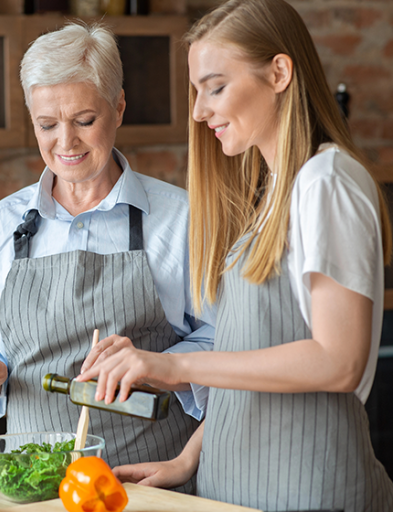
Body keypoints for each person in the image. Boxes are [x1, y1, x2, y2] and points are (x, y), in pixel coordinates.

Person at [77, 0, 393, 510]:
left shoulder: (325, 181)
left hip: (307, 489)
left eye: (216, 87)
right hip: (236, 489)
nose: (200, 111)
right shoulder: (274, 193)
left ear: (279, 72)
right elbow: (257, 352)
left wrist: (176, 367)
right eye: (197, 91)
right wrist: (190, 457)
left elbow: (339, 362)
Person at [0, 22, 215, 490]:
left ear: (119, 107)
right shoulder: (4, 223)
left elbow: (226, 342)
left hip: (146, 486)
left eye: (84, 120)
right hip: (31, 484)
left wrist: (161, 367)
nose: (65, 143)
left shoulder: (181, 219)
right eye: (47, 125)